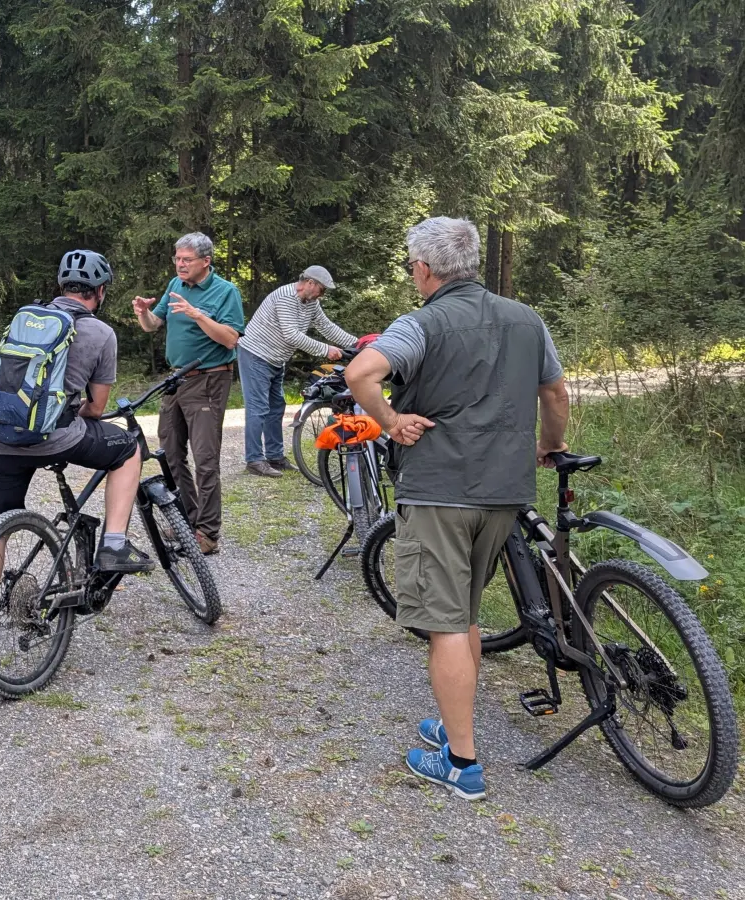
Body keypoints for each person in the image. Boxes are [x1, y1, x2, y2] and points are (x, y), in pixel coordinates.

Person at [344, 216, 569, 801]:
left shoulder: (423, 323)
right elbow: (556, 392)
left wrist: (390, 421)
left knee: (442, 623)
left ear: (423, 268)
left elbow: (361, 372)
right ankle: (454, 722)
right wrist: (550, 445)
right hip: (506, 489)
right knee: (464, 611)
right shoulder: (527, 320)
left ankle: (462, 764)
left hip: (440, 489)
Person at [0, 250, 153, 643]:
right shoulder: (101, 334)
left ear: (62, 286)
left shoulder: (27, 318)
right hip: (53, 438)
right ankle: (114, 544)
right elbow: (97, 408)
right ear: (100, 291)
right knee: (128, 449)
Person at [131, 232, 245, 555]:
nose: (180, 264)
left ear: (205, 262)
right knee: (169, 453)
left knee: (206, 458)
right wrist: (143, 312)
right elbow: (154, 323)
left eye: (186, 260)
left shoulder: (226, 292)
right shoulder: (175, 285)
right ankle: (187, 520)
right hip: (176, 380)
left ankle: (207, 533)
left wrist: (198, 314)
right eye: (177, 259)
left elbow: (230, 339)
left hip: (209, 379)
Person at [236, 265, 356, 477]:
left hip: (276, 358)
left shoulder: (311, 302)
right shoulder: (285, 297)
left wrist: (357, 344)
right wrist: (326, 350)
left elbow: (326, 327)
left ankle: (275, 457)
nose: (323, 294)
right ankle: (254, 460)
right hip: (255, 354)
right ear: (310, 283)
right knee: (258, 408)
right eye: (322, 289)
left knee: (277, 406)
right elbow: (291, 335)